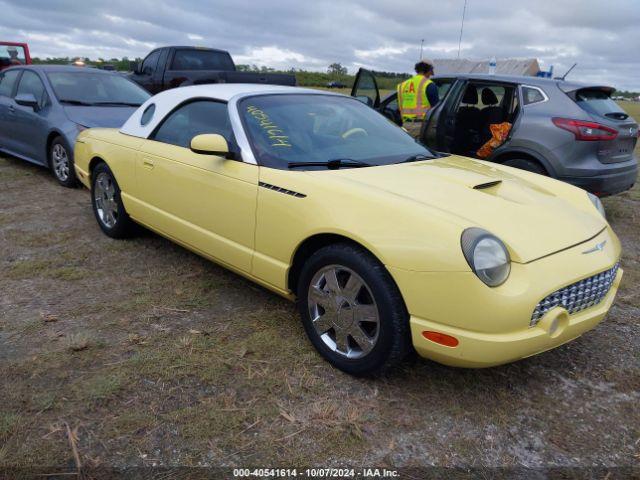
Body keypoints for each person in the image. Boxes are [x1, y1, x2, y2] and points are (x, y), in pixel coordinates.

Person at [397, 60, 439, 139]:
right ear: (428, 70)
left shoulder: (402, 85)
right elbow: (436, 110)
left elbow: (400, 106)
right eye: (431, 71)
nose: (432, 74)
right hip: (422, 127)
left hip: (405, 126)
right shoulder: (429, 84)